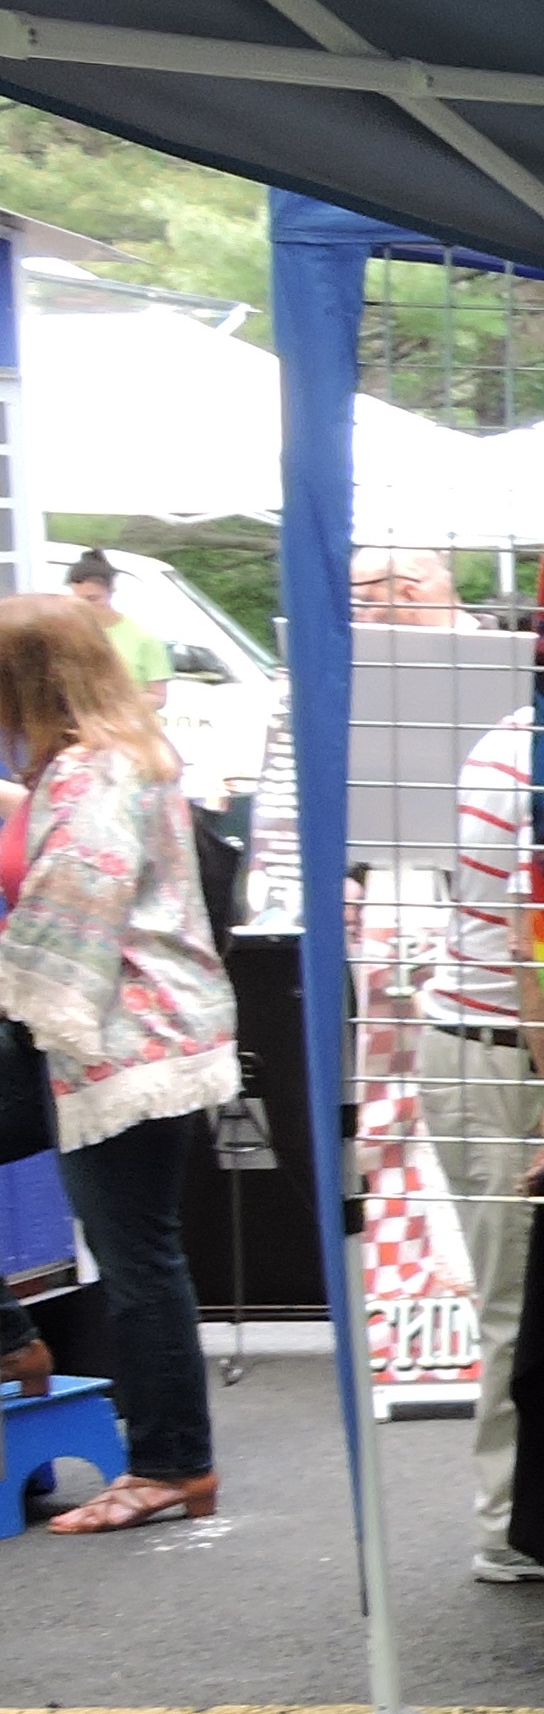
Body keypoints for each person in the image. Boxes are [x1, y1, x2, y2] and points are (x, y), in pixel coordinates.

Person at [0, 592, 240, 1530]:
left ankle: (171, 1464)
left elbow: (70, 920)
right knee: (142, 1253)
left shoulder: (92, 772)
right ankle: (22, 1348)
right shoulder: (123, 757)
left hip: (118, 1043)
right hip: (132, 1036)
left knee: (139, 1258)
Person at [424, 686, 544, 1581]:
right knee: (524, 1300)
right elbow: (536, 950)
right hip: (505, 1058)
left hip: (507, 1050)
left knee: (542, 1294)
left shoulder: (537, 743)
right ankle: (519, 1526)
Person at [61, 551, 168, 697]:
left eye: (93, 599)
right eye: (77, 601)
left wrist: (114, 703)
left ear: (111, 591)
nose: (85, 607)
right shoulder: (66, 636)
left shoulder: (143, 638)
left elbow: (158, 697)